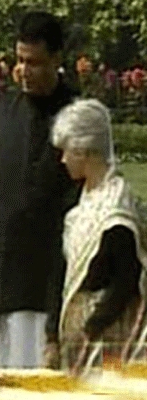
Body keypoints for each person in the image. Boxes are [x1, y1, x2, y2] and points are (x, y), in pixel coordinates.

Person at [0, 11, 80, 368]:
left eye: (35, 62)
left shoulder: (81, 116)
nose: (24, 71)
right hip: (7, 295)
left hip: (62, 294)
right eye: (20, 60)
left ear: (57, 59)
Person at [44, 99, 147, 371]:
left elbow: (126, 281)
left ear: (85, 151)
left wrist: (90, 330)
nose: (63, 159)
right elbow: (61, 270)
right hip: (75, 334)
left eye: (67, 151)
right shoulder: (77, 202)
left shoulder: (117, 209)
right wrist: (53, 335)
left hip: (110, 340)